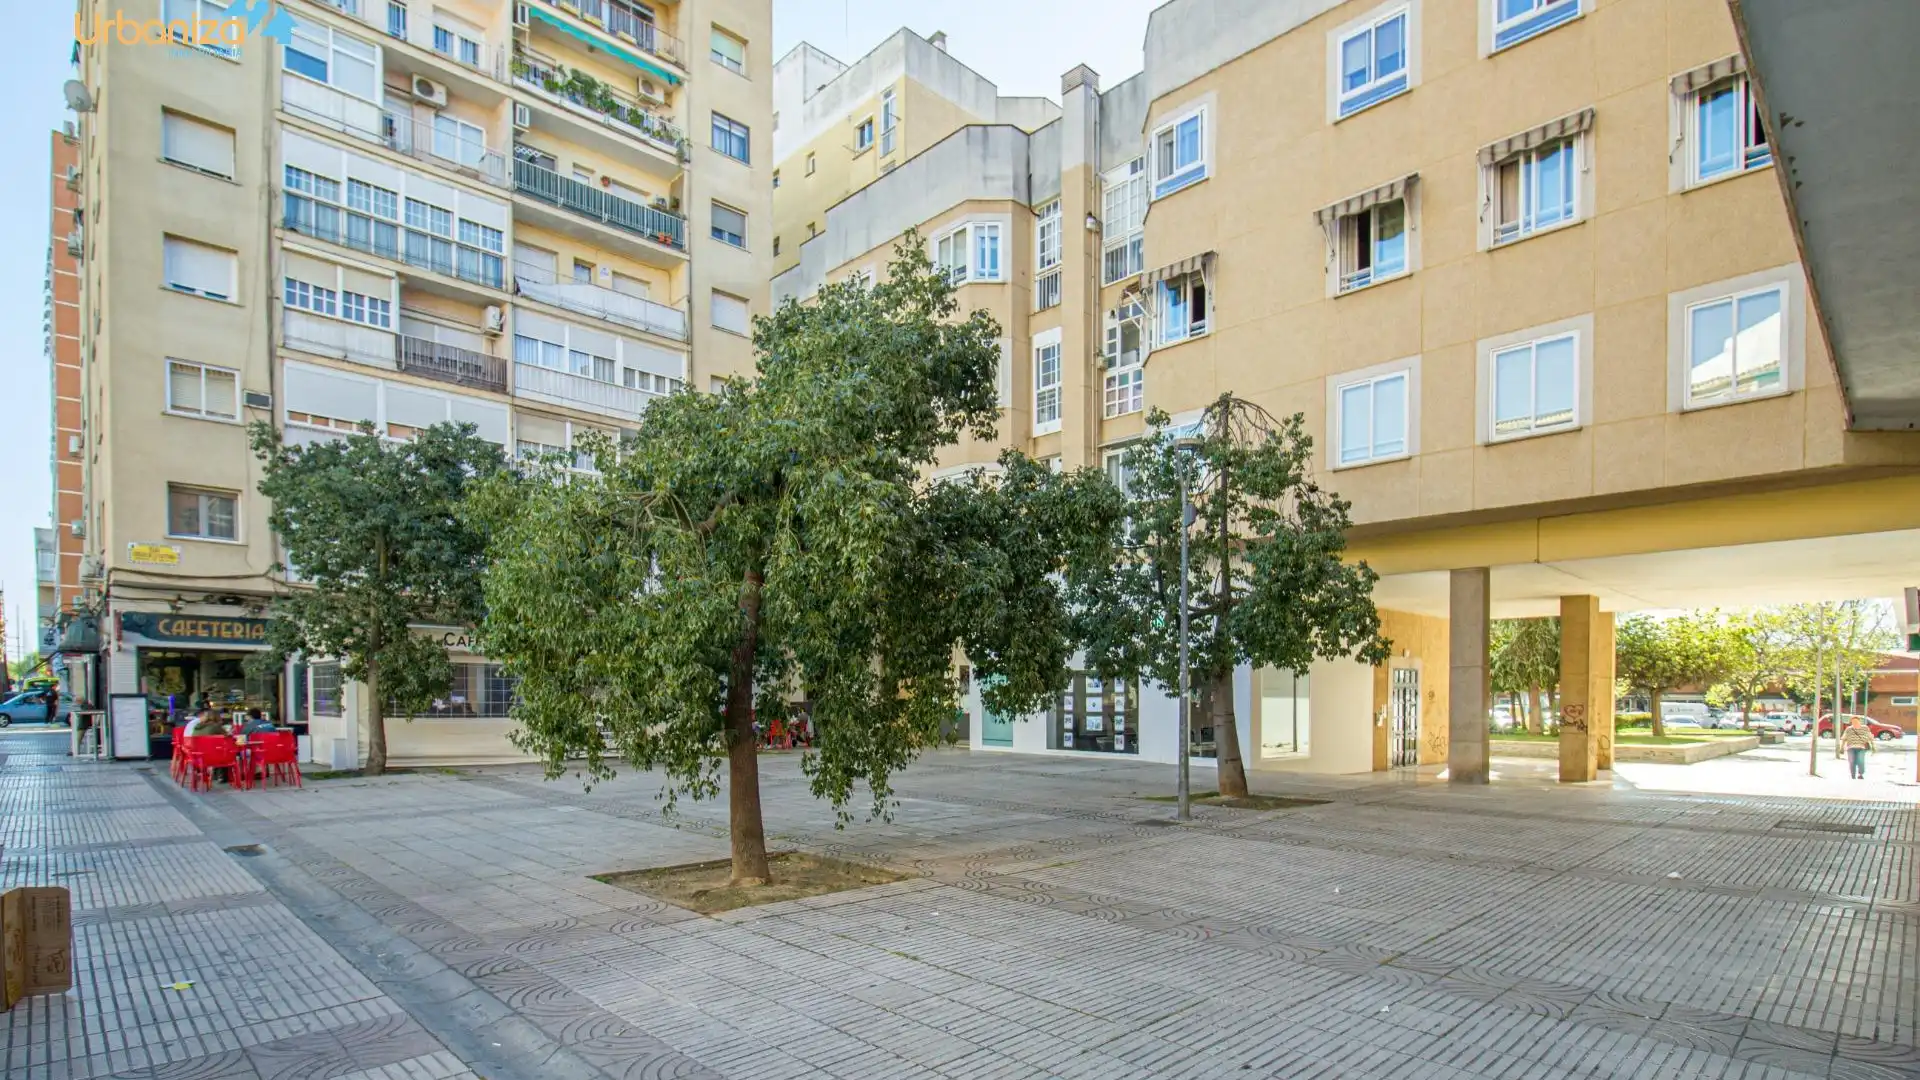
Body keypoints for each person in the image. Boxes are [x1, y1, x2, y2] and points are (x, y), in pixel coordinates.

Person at [1836, 715, 1877, 780]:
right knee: (1851, 761)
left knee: (1860, 760)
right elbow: (1844, 738)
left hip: (1862, 747)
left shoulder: (1865, 728)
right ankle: (1853, 775)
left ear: (1859, 721)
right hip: (1850, 747)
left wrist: (1873, 746)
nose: (1855, 723)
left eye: (1856, 721)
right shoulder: (1849, 729)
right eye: (1853, 721)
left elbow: (1870, 737)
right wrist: (1842, 747)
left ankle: (1860, 773)